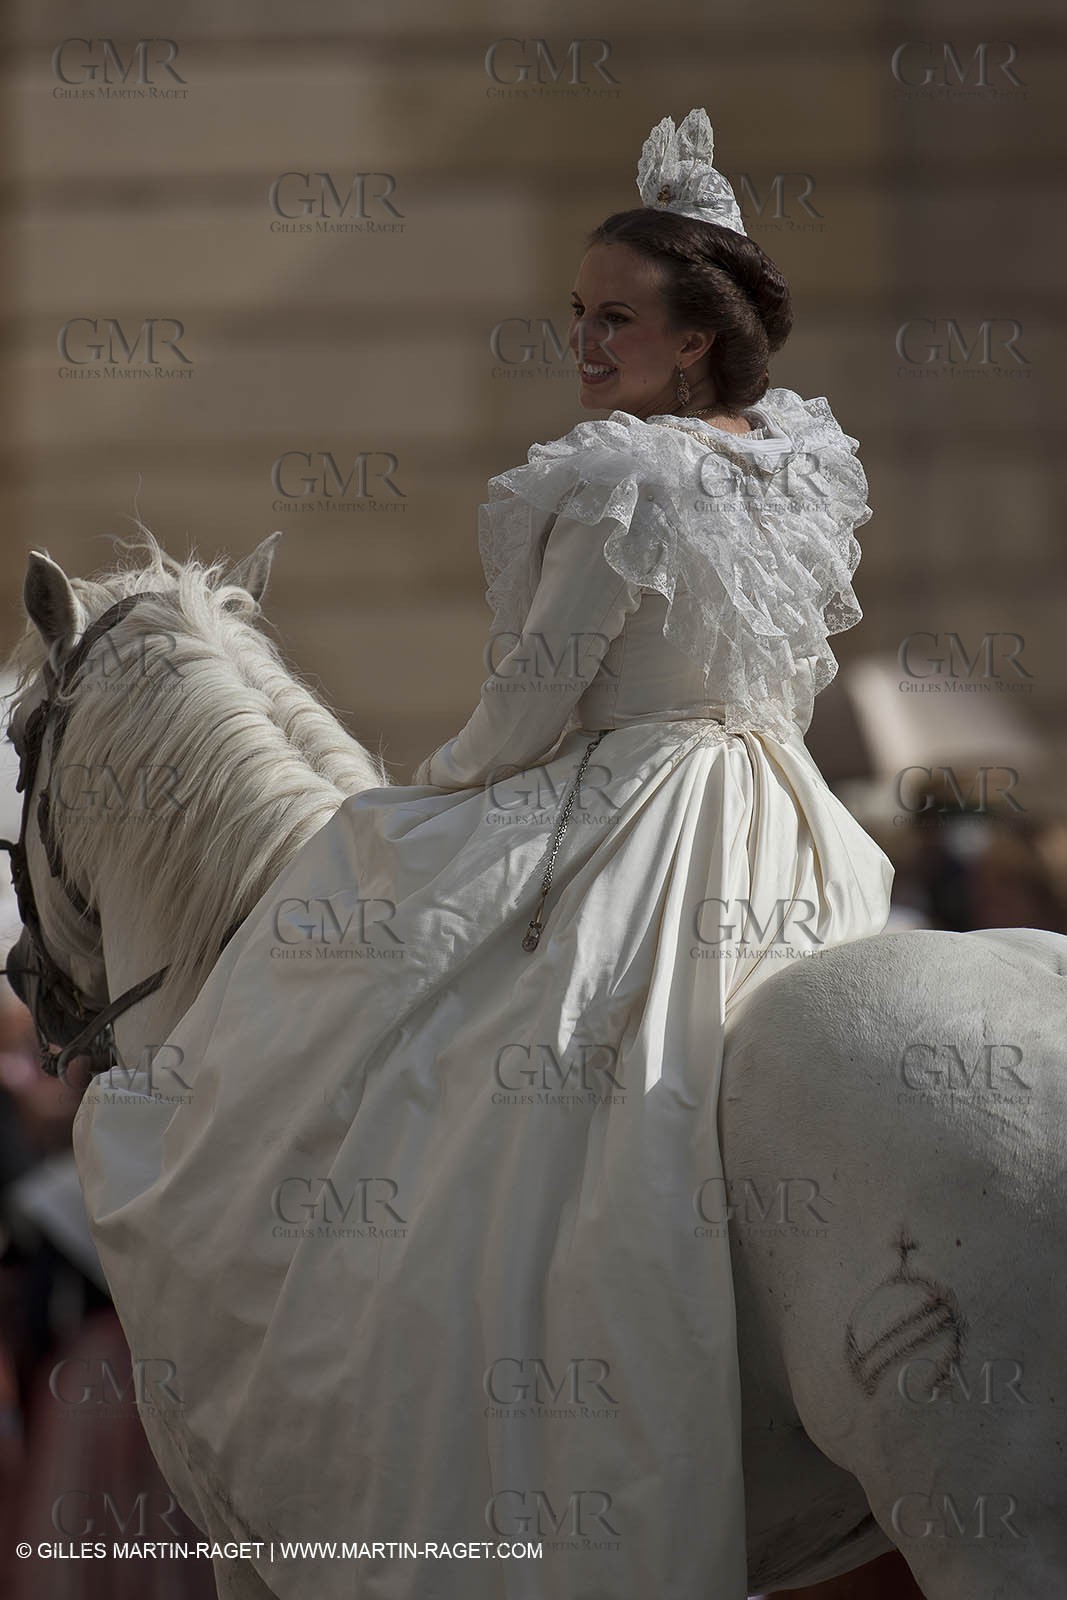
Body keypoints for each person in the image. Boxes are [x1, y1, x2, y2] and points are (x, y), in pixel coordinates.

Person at [73, 110, 894, 1599]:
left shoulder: (621, 478)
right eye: (576, 315)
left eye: (616, 319)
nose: (585, 341)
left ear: (697, 340)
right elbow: (785, 684)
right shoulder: (800, 464)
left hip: (635, 808)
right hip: (784, 816)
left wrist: (423, 802)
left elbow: (530, 705)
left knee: (416, 1035)